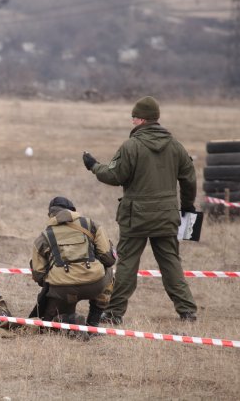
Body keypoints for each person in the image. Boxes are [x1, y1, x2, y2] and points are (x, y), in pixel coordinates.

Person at [82, 96, 198, 324]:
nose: (132, 121)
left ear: (142, 119)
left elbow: (114, 176)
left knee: (126, 264)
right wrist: (186, 207)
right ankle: (187, 311)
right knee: (171, 263)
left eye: (134, 117)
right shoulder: (176, 146)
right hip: (167, 216)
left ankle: (114, 313)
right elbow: (189, 179)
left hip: (136, 217)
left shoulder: (131, 146)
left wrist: (94, 166)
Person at [29, 196, 116, 328]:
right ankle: (93, 321)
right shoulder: (91, 225)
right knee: (108, 270)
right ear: (73, 211)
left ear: (50, 214)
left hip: (62, 290)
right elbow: (109, 259)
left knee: (51, 322)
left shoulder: (44, 236)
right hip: (95, 285)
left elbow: (38, 275)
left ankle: (69, 317)